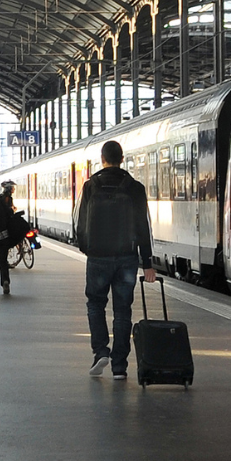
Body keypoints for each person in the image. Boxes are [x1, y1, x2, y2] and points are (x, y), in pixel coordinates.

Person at [75, 140, 156, 380]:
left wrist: (86, 248)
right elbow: (143, 227)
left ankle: (100, 351)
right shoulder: (135, 187)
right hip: (127, 258)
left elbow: (80, 223)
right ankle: (119, 366)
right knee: (122, 311)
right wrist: (148, 262)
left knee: (95, 304)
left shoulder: (91, 186)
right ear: (122, 159)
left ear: (103, 159)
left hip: (98, 256)